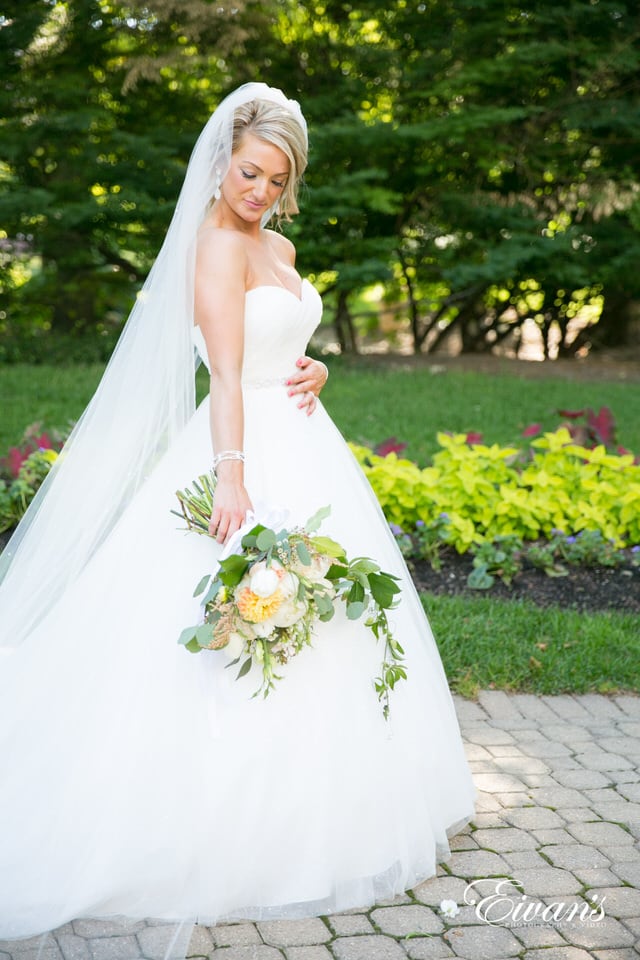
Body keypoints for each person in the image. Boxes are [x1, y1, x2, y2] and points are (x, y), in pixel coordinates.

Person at [0, 84, 475, 951]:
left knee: (330, 622)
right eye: (249, 171)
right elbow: (223, 376)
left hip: (305, 434)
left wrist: (317, 370)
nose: (258, 190)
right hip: (242, 446)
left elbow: (282, 344)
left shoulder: (278, 243)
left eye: (275, 177)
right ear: (221, 163)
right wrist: (231, 478)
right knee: (232, 617)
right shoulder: (216, 248)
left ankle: (337, 803)